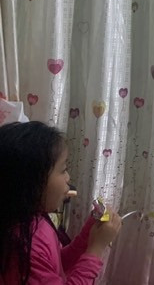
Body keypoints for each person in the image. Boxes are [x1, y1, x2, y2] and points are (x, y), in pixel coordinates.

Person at [0, 121, 122, 284]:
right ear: (32, 182)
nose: (68, 178)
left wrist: (88, 233)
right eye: (63, 170)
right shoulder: (23, 244)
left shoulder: (38, 221)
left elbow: (58, 264)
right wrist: (96, 249)